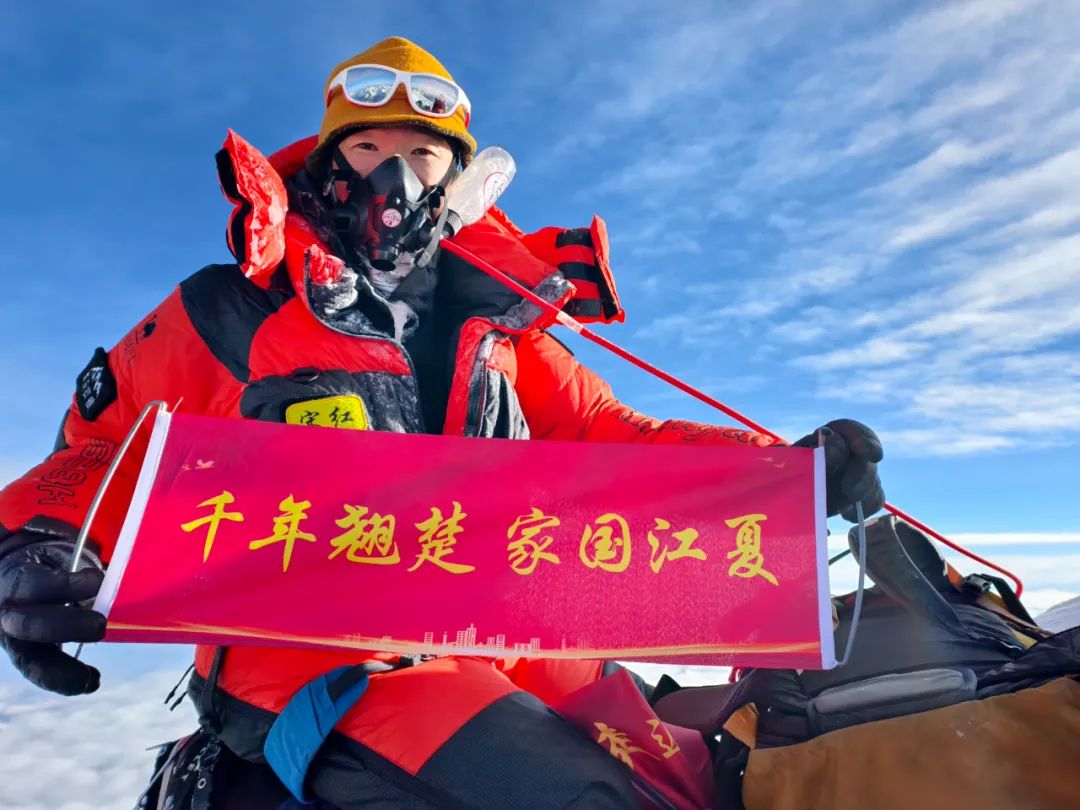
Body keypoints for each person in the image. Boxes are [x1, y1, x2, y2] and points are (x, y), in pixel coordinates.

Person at [0, 36, 884, 808]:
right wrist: (38, 542)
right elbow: (105, 440)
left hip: (505, 627)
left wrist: (783, 475)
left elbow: (608, 436)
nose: (394, 174)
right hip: (316, 657)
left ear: (455, 177)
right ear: (329, 162)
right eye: (369, 146)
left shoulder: (496, 324)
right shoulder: (236, 306)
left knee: (705, 773)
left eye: (423, 153)